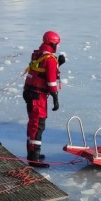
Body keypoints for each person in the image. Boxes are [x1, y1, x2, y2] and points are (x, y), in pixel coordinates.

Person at [23, 30, 65, 168]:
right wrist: (55, 98)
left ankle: (31, 153)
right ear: (53, 43)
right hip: (38, 96)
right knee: (38, 125)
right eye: (57, 44)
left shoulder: (37, 54)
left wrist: (58, 63)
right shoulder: (50, 59)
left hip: (29, 92)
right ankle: (34, 158)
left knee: (32, 123)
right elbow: (51, 81)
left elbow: (43, 70)